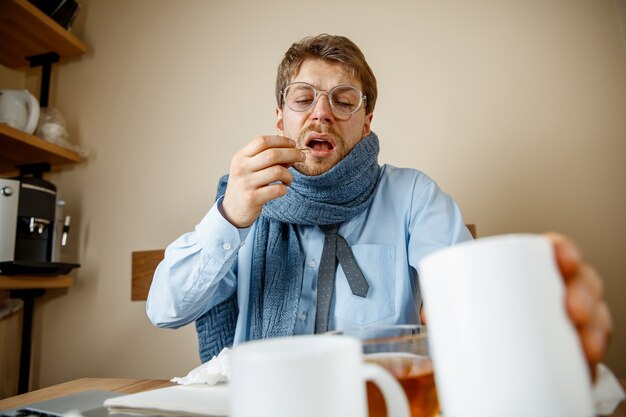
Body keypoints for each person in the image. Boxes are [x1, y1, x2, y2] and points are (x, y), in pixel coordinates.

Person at [146, 34, 611, 377]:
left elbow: (477, 304)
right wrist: (230, 217)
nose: (321, 113)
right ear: (280, 118)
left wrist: (533, 316)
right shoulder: (243, 203)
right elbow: (165, 309)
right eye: (303, 98)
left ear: (366, 122)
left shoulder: (412, 198)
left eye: (343, 101)